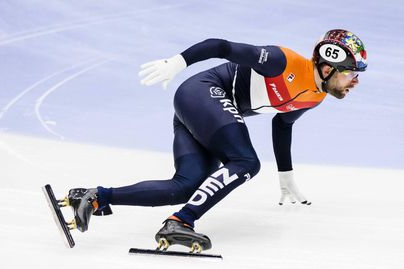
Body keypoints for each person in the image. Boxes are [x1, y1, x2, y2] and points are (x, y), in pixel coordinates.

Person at [65, 29, 368, 251]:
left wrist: (285, 173)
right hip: (203, 92)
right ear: (328, 67)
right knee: (246, 162)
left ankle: (94, 197)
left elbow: (282, 124)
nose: (354, 82)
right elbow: (221, 46)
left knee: (184, 187)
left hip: (203, 112)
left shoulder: (316, 97)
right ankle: (181, 222)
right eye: (351, 73)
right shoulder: (282, 61)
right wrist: (178, 62)